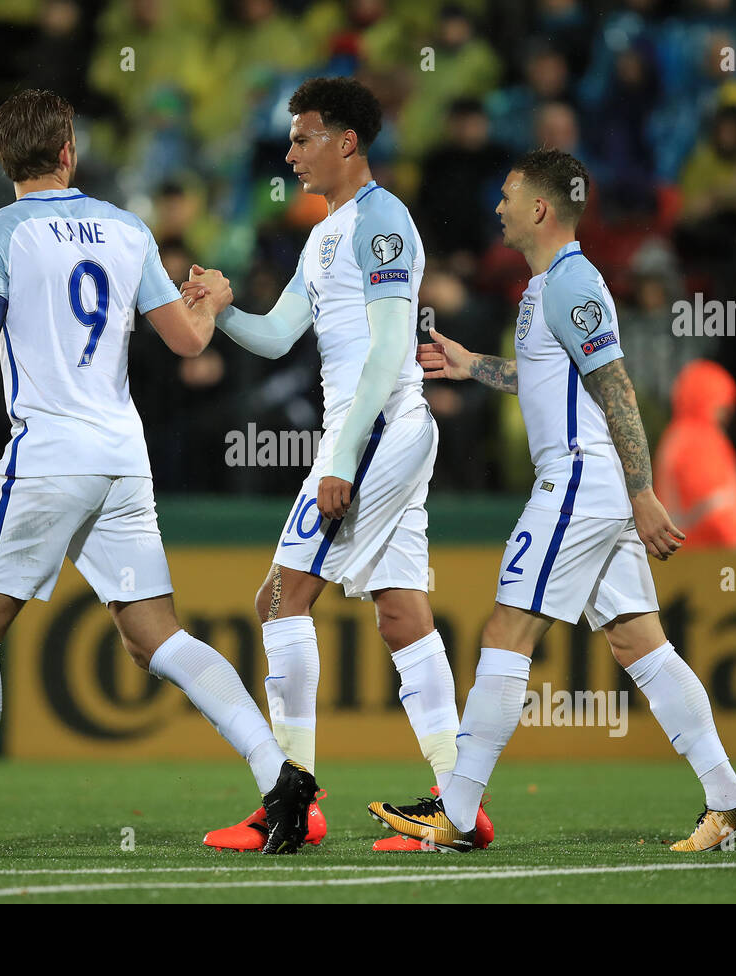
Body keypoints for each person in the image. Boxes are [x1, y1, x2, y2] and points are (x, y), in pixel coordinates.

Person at [0, 89, 316, 859]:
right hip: (121, 455)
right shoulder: (126, 226)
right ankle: (281, 775)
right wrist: (209, 300)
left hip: (48, 452)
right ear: (70, 149)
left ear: (7, 158)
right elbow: (186, 343)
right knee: (153, 635)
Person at [368, 149, 736, 853]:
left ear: (541, 209)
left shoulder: (571, 281)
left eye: (509, 195)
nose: (497, 206)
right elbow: (554, 379)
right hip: (595, 483)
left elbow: (616, 386)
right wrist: (471, 365)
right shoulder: (552, 285)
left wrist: (643, 493)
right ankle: (730, 797)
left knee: (505, 632)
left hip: (579, 480)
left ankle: (455, 812)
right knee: (641, 643)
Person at [184, 77, 492, 853]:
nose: (290, 153)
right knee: (400, 614)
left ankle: (296, 801)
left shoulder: (383, 219)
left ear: (346, 142)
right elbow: (280, 334)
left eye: (303, 137)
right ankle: (462, 805)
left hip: (376, 431)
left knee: (280, 599)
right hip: (379, 432)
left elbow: (392, 346)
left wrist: (342, 458)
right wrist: (220, 312)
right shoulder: (326, 233)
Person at [654, 359, 736, 551]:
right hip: (714, 563)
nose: (728, 414)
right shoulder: (700, 440)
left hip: (688, 564)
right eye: (725, 405)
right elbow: (715, 508)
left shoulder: (677, 437)